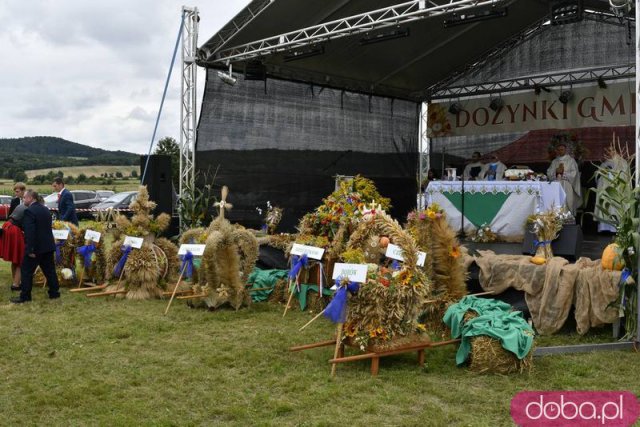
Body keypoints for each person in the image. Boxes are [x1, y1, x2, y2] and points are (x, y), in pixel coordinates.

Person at [11, 190, 60, 304]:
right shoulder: (45, 209)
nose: (23, 200)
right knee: (50, 271)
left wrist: (30, 249)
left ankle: (25, 296)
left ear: (31, 198)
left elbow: (30, 232)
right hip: (48, 246)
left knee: (26, 271)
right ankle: (54, 293)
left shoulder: (29, 211)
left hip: (36, 248)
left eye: (24, 198)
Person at [595, 148, 630, 233]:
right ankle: (604, 228)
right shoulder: (605, 163)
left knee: (614, 207)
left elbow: (625, 176)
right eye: (607, 151)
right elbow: (597, 175)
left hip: (616, 188)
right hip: (605, 188)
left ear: (616, 151)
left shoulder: (622, 162)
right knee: (605, 206)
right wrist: (602, 173)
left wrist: (611, 173)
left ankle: (616, 228)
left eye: (611, 151)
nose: (609, 153)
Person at [546, 142, 581, 215]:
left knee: (567, 201)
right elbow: (549, 173)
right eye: (558, 150)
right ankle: (557, 216)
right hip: (556, 184)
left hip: (567, 184)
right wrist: (556, 173)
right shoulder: (555, 161)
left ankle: (568, 216)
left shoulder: (571, 160)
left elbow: (574, 173)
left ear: (565, 150)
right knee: (557, 201)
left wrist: (564, 173)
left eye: (562, 149)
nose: (560, 151)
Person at [0, 203, 26, 291]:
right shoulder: (28, 207)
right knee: (20, 258)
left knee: (15, 258)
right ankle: (16, 284)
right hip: (14, 229)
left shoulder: (20, 205)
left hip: (7, 226)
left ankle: (15, 279)